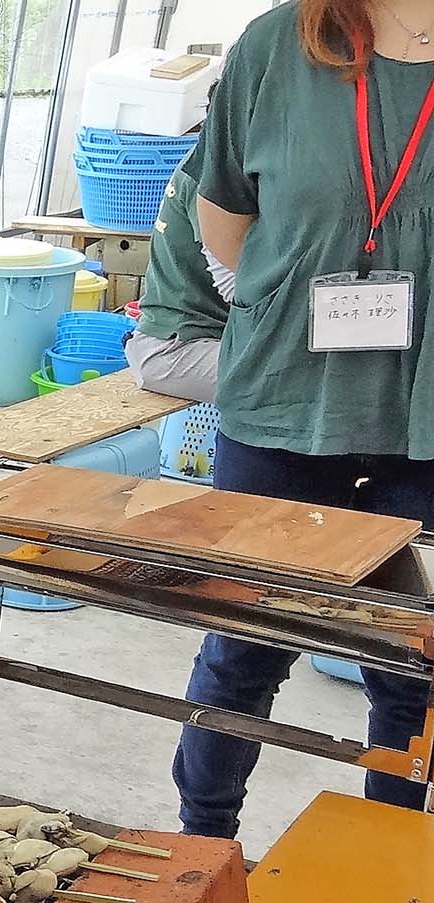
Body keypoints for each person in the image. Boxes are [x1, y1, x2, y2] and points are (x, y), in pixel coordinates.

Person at [174, 0, 434, 838]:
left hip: (426, 419)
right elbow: (221, 212)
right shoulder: (277, 46)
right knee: (242, 645)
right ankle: (200, 848)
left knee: (413, 663)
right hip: (285, 401)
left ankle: (383, 855)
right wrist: (292, 304)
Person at [125, 144, 233, 406]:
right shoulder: (213, 172)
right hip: (175, 348)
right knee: (298, 384)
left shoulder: (218, 159)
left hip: (209, 340)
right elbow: (236, 288)